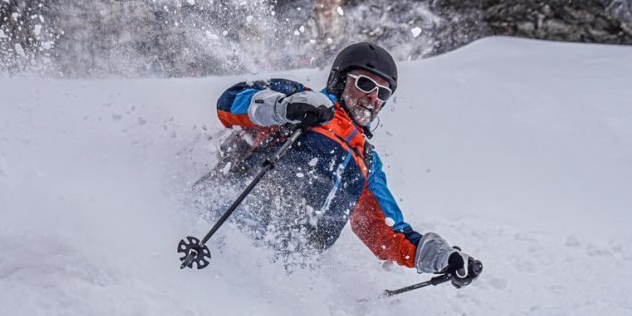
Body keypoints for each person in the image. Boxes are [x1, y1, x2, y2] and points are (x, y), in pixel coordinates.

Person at [204, 41, 480, 284]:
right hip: (219, 229)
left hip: (281, 271)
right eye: (365, 84)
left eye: (383, 93)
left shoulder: (366, 162)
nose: (373, 97)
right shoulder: (303, 103)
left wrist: (439, 257)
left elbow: (385, 230)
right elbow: (228, 104)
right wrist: (281, 107)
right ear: (339, 80)